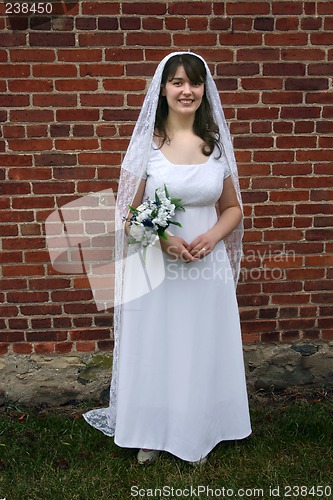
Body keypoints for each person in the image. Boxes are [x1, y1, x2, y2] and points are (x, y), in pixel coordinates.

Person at [83, 52, 252, 465]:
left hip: (204, 267)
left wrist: (211, 237)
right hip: (157, 266)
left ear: (203, 90)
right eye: (177, 82)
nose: (186, 90)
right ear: (163, 89)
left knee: (198, 345)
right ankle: (151, 430)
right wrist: (162, 239)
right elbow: (126, 214)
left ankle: (198, 428)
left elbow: (233, 208)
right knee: (157, 345)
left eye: (194, 83)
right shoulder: (148, 146)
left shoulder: (214, 147)